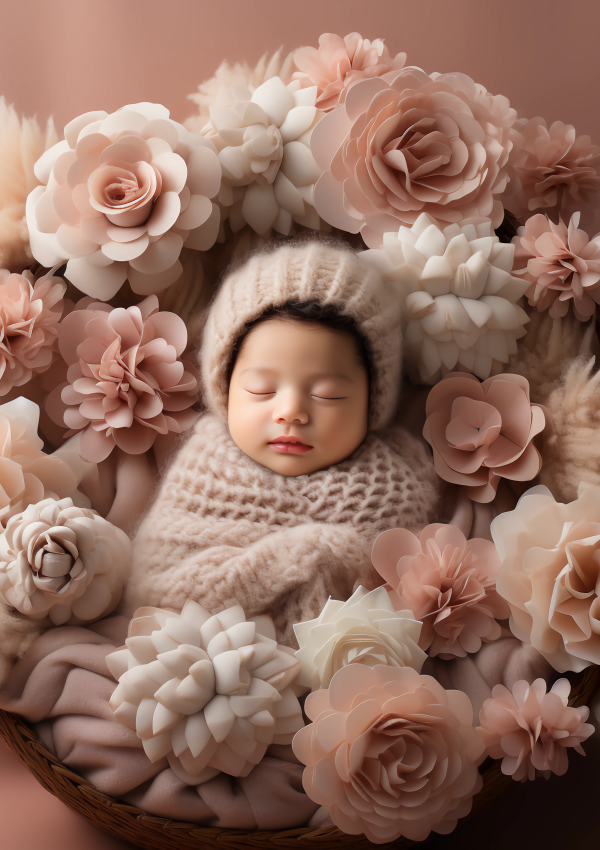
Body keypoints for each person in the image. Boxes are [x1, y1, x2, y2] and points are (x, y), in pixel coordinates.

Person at [125, 238, 442, 645]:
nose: (291, 412)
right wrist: (292, 558)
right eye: (261, 390)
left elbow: (416, 606)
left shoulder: (400, 483)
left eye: (327, 394)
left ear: (372, 403)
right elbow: (154, 588)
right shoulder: (206, 470)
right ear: (225, 391)